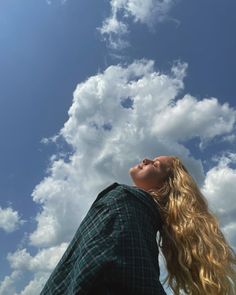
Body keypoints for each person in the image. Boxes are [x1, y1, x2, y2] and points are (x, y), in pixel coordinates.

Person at [40, 155, 236, 295]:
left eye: (156, 164)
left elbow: (111, 271)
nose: (146, 160)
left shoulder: (126, 199)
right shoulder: (142, 212)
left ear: (165, 185)